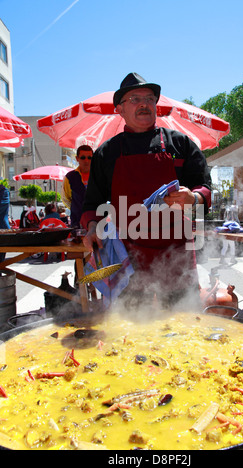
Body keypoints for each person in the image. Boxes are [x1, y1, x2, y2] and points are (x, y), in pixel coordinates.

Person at [81, 73, 211, 308]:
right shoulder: (106, 153)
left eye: (149, 98)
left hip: (176, 252)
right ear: (120, 109)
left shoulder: (180, 144)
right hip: (128, 254)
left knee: (183, 326)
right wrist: (92, 228)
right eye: (134, 99)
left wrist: (194, 197)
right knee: (129, 328)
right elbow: (92, 204)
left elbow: (204, 187)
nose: (144, 104)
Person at [62, 145, 93, 228]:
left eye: (89, 157)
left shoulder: (99, 175)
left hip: (97, 221)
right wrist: (76, 208)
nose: (86, 161)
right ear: (77, 159)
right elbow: (66, 198)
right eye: (83, 157)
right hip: (77, 222)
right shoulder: (70, 177)